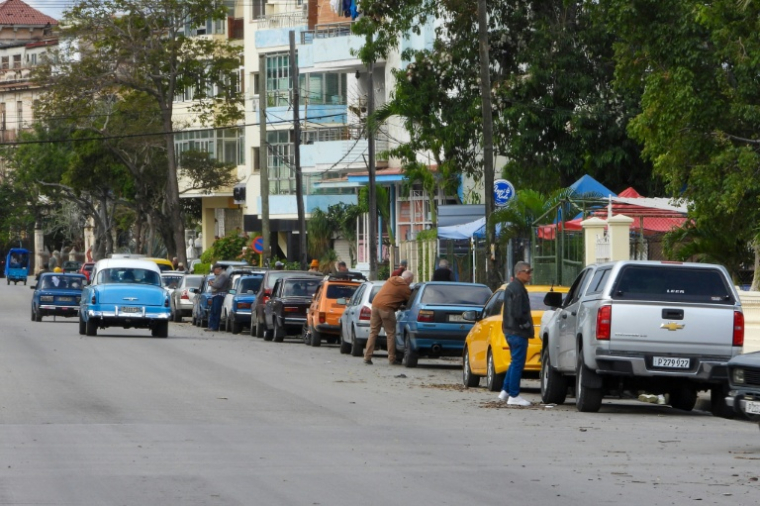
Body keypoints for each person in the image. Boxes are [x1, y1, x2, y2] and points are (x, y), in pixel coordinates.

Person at [499, 261, 534, 406]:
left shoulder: (512, 287)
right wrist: (524, 324)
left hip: (510, 330)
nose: (530, 274)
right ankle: (514, 395)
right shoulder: (518, 289)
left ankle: (505, 391)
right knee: (518, 363)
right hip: (517, 331)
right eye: (527, 271)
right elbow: (518, 312)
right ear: (519, 272)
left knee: (514, 362)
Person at [364, 270, 414, 365]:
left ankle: (367, 356)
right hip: (386, 309)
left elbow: (391, 296)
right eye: (411, 281)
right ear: (408, 279)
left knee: (373, 332)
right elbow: (410, 301)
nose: (410, 283)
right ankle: (391, 358)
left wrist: (397, 305)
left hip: (375, 306)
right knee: (391, 333)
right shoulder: (404, 287)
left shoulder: (391, 280)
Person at [206, 264, 231, 332]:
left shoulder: (223, 275)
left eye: (214, 270)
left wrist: (211, 284)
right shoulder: (220, 275)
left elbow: (219, 285)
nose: (213, 272)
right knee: (213, 310)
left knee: (216, 310)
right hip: (216, 295)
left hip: (219, 294)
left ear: (217, 269)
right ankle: (211, 326)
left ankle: (214, 327)